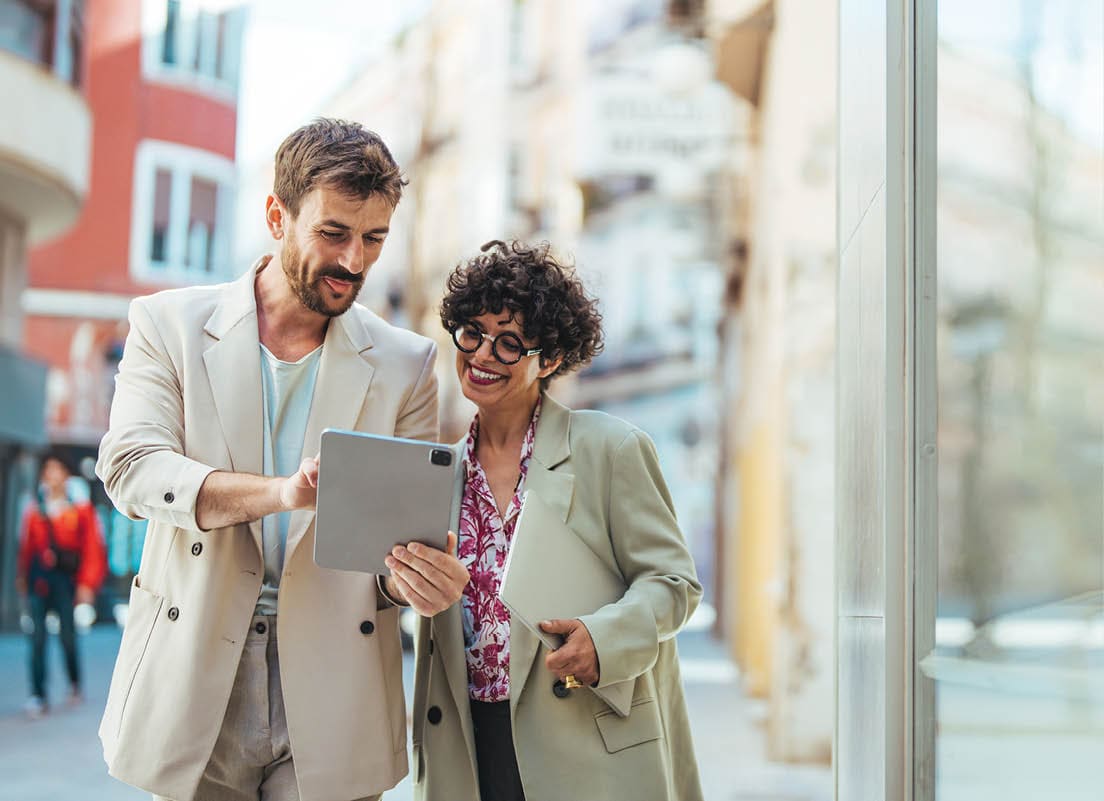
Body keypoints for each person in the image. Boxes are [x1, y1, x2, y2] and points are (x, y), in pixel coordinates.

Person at [95, 119, 469, 801]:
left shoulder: (407, 364)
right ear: (276, 214)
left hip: (337, 688)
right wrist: (280, 492)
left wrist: (419, 581)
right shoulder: (168, 325)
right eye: (334, 233)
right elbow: (131, 466)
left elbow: (393, 555)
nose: (355, 260)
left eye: (374, 238)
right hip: (197, 676)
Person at [400, 240, 704, 801]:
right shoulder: (435, 473)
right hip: (466, 749)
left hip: (583, 742)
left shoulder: (609, 449)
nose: (483, 355)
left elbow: (674, 585)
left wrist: (604, 638)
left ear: (552, 359)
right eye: (472, 332)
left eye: (510, 342)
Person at [16, 449, 107, 719]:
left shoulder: (80, 508)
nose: (53, 475)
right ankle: (38, 694)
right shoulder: (35, 506)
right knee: (37, 639)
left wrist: (87, 584)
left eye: (58, 470)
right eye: (49, 470)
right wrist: (22, 577)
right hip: (38, 579)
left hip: (65, 581)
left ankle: (74, 682)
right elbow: (28, 547)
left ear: (67, 475)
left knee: (68, 636)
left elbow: (92, 548)